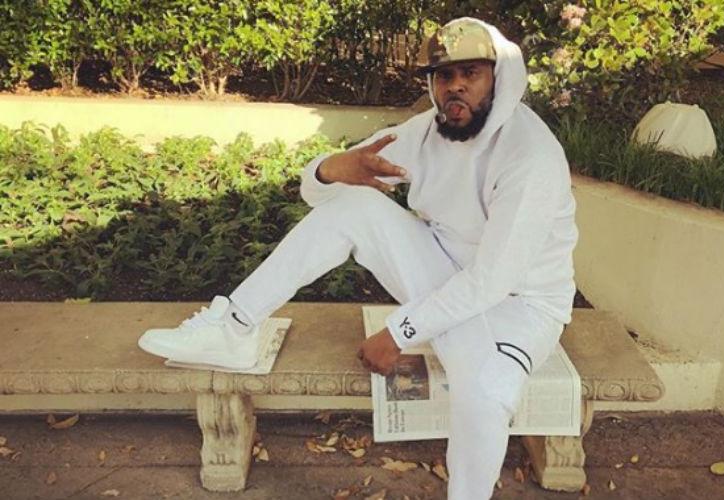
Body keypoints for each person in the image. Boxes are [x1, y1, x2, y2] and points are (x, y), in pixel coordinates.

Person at [138, 17, 578, 500]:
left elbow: (491, 281)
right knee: (354, 205)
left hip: (518, 305)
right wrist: (331, 169)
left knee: (487, 395)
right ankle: (235, 328)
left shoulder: (530, 156)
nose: (455, 87)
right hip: (443, 270)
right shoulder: (426, 133)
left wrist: (399, 332)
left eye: (470, 73)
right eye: (443, 76)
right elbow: (321, 195)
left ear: (500, 77)